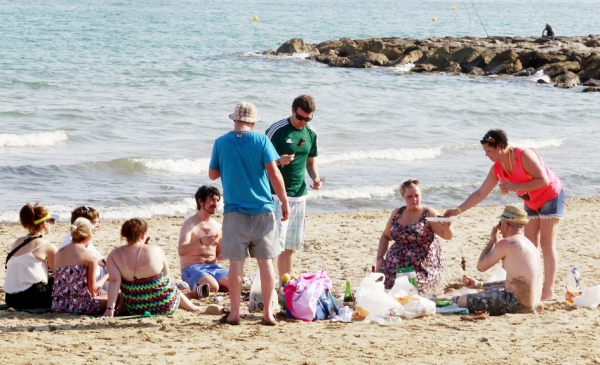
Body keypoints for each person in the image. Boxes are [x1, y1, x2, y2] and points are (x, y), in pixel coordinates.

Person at [444, 129, 563, 300]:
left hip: (551, 195)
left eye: (489, 151)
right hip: (531, 201)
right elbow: (480, 193)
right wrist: (458, 210)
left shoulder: (523, 155)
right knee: (529, 245)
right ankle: (533, 287)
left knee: (546, 243)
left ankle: (548, 291)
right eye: (485, 152)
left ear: (499, 146)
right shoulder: (497, 168)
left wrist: (515, 186)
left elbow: (543, 180)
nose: (487, 155)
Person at [209, 101, 289, 325]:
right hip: (262, 209)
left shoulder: (221, 142)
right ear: (253, 122)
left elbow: (212, 174)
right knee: (266, 264)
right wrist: (284, 201)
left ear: (234, 119)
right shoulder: (262, 140)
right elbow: (274, 173)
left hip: (234, 211)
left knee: (236, 263)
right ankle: (268, 313)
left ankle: (234, 313)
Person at [265, 95, 321, 280]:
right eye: (300, 117)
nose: (303, 122)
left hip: (299, 196)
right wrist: (279, 161)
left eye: (308, 119)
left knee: (290, 246)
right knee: (273, 245)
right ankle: (269, 287)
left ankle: (284, 288)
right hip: (276, 196)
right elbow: (260, 160)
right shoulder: (277, 130)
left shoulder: (310, 133)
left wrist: (315, 177)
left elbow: (311, 161)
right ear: (292, 110)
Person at [455, 205, 542, 315]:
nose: (499, 228)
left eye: (500, 224)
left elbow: (481, 266)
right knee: (477, 295)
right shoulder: (529, 244)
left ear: (506, 225)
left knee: (462, 300)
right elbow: (514, 283)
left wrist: (492, 240)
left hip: (518, 304)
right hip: (532, 304)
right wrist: (479, 285)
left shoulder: (507, 243)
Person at [102, 218, 197, 318]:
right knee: (173, 288)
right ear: (143, 234)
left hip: (134, 307)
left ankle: (193, 306)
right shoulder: (156, 249)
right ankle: (193, 307)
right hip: (164, 305)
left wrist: (110, 310)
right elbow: (167, 277)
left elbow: (114, 281)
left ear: (125, 234)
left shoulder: (114, 254)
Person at [375, 179, 454, 295]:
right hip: (395, 264)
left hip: (422, 266)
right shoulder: (397, 213)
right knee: (384, 288)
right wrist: (380, 258)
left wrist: (447, 228)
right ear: (403, 196)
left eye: (417, 195)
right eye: (409, 196)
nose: (414, 199)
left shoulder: (428, 213)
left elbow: (447, 235)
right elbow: (385, 236)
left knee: (414, 292)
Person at [4, 203, 59, 309]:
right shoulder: (47, 246)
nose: (52, 224)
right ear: (44, 224)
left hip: (11, 298)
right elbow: (59, 274)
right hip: (33, 298)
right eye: (51, 221)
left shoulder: (17, 242)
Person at [178, 185, 228, 297]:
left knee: (237, 283)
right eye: (212, 200)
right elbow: (181, 251)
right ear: (200, 201)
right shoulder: (189, 224)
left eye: (217, 200)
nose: (215, 204)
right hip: (192, 268)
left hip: (213, 268)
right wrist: (201, 241)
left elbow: (220, 256)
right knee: (213, 286)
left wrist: (230, 244)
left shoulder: (217, 226)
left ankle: (214, 286)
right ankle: (199, 287)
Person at [52, 218, 108, 314]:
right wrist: (107, 276)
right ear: (89, 235)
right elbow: (93, 290)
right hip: (80, 306)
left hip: (58, 304)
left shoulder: (59, 253)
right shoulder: (90, 256)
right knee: (117, 295)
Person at [60, 206, 107, 291]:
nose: (98, 225)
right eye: (95, 222)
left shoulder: (78, 239)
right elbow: (91, 288)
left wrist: (102, 261)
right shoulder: (76, 244)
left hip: (97, 276)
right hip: (93, 285)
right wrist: (107, 276)